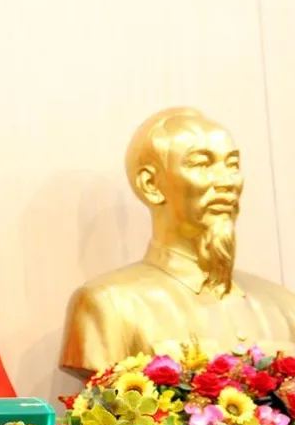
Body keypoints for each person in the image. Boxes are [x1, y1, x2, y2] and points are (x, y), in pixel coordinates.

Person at [59, 106, 295, 378]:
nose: (227, 182)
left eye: (232, 165)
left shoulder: (284, 306)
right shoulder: (108, 304)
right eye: (202, 164)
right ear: (151, 185)